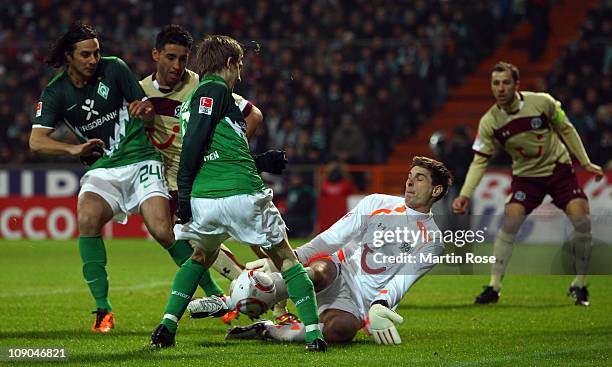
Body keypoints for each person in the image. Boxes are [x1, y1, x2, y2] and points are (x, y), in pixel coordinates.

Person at [149, 34, 326, 352]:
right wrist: (184, 196)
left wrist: (261, 161)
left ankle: (167, 326)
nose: (241, 72)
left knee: (201, 257)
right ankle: (314, 335)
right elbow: (191, 148)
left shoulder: (190, 102)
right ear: (229, 63)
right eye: (240, 64)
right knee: (286, 258)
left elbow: (213, 150)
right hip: (238, 194)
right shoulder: (214, 90)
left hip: (209, 198)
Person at [188, 156, 453, 345]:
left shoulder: (432, 240)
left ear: (436, 190)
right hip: (339, 271)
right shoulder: (376, 202)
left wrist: (380, 304)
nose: (410, 182)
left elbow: (402, 280)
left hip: (360, 303)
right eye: (410, 176)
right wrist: (294, 258)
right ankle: (225, 302)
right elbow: (335, 236)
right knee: (320, 270)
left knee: (340, 332)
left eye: (419, 179)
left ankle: (268, 330)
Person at [29, 22, 178, 333]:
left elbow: (147, 109)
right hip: (104, 168)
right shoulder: (56, 92)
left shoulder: (115, 69)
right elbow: (36, 141)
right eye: (86, 54)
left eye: (96, 52)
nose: (93, 59)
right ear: (69, 56)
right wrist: (74, 150)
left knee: (163, 231)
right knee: (86, 218)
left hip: (140, 159)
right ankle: (103, 309)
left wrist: (144, 109)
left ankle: (215, 296)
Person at [141, 25, 290, 323]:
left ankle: (273, 306)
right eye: (171, 57)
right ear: (156, 55)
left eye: (183, 59)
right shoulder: (139, 91)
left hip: (204, 176)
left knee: (259, 242)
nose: (177, 66)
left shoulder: (204, 83)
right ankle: (229, 294)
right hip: (169, 176)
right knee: (172, 236)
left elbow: (253, 114)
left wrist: (235, 159)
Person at [452, 62, 604, 306]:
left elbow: (567, 129)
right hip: (526, 177)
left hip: (558, 170)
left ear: (516, 85)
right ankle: (494, 287)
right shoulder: (489, 122)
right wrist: (465, 194)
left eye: (505, 82)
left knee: (582, 218)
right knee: (511, 219)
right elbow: (479, 161)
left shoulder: (542, 102)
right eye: (495, 83)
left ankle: (579, 285)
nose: (500, 88)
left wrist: (585, 162)